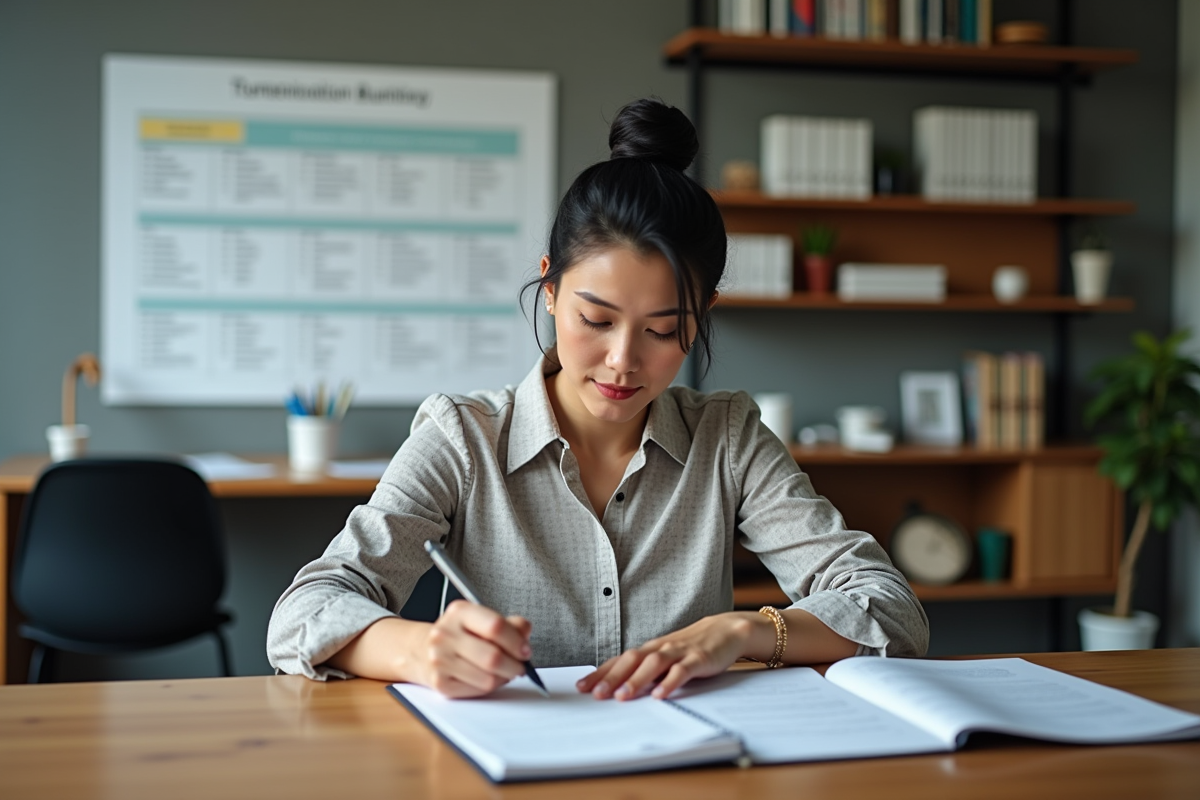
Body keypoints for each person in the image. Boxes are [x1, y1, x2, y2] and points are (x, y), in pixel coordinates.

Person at [267, 98, 928, 701]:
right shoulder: (462, 436)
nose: (623, 361)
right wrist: (420, 649)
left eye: (664, 330)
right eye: (596, 319)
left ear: (701, 318)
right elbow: (304, 612)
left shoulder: (727, 436)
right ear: (550, 288)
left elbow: (890, 607)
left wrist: (743, 633)